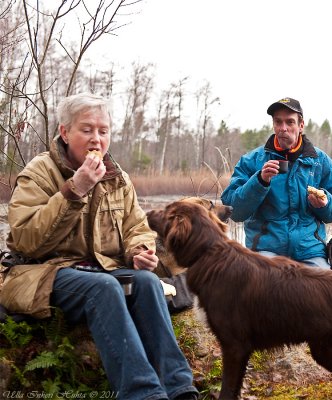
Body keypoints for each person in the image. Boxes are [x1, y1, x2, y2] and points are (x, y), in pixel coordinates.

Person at [0, 93, 198, 400]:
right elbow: (26, 238)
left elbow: (136, 227)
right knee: (103, 288)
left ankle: (180, 388)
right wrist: (74, 190)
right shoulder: (40, 173)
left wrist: (140, 252)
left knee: (146, 282)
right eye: (87, 130)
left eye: (103, 131)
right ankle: (142, 393)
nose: (97, 139)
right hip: (42, 273)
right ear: (65, 132)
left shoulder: (117, 177)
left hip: (100, 269)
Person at [221, 97, 332, 268]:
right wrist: (260, 181)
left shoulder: (320, 162)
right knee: (264, 287)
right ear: (273, 124)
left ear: (301, 125)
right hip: (265, 251)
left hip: (310, 252)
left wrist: (325, 203)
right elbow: (234, 211)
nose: (283, 128)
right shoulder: (252, 161)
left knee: (324, 288)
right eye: (278, 122)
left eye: (290, 122)